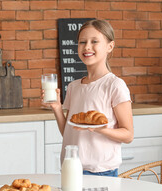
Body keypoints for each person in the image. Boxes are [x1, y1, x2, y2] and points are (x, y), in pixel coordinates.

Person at [43, 19, 134, 177]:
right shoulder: (74, 86)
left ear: (110, 46)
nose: (87, 47)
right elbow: (69, 132)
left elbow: (128, 135)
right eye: (82, 42)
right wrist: (57, 108)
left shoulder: (114, 85)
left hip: (100, 171)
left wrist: (102, 130)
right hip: (71, 168)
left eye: (94, 41)